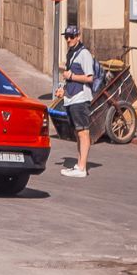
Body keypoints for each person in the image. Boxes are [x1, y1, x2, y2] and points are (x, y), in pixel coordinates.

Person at [56, 25, 95, 178]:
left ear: (78, 36)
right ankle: (79, 164)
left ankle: (82, 167)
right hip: (71, 98)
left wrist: (71, 77)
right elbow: (67, 75)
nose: (69, 40)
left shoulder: (84, 54)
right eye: (66, 37)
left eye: (71, 36)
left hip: (81, 98)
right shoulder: (71, 53)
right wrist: (62, 89)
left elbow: (90, 77)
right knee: (77, 132)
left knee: (83, 132)